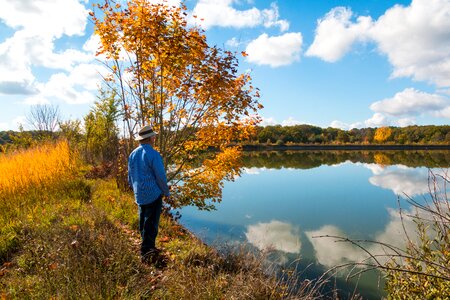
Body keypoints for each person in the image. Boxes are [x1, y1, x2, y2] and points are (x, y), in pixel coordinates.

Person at [128, 125, 170, 264]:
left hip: (139, 194)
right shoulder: (153, 154)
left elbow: (130, 176)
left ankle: (146, 246)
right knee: (151, 224)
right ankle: (147, 252)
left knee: (143, 221)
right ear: (150, 138)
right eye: (153, 135)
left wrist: (134, 189)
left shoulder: (133, 154)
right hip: (153, 194)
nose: (155, 137)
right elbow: (161, 176)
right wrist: (166, 192)